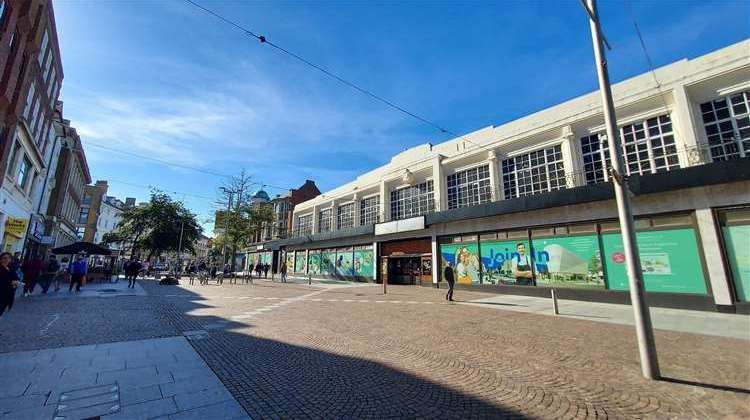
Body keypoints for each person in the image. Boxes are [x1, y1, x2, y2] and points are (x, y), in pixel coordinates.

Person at [0, 252, 21, 317]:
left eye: (9, 258)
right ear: (0, 259)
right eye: (4, 258)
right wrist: (11, 282)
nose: (7, 260)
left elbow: (16, 278)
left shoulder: (10, 268)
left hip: (7, 295)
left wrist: (16, 282)